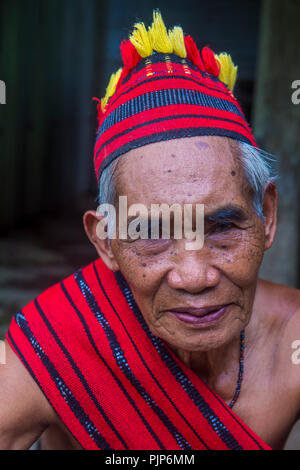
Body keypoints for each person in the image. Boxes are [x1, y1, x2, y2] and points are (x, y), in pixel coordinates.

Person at [0, 10, 299, 451]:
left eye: (222, 227)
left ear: (267, 217)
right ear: (106, 242)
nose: (195, 276)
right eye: (152, 233)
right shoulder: (56, 350)